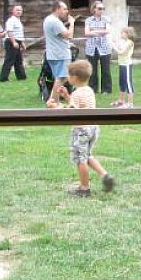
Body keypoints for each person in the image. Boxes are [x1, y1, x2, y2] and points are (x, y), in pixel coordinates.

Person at [52, 59, 115, 197]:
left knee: (80, 159)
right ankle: (105, 175)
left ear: (74, 78)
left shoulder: (77, 93)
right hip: (93, 128)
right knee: (87, 155)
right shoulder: (88, 90)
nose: (67, 77)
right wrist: (66, 96)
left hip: (81, 130)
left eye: (69, 75)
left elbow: (72, 111)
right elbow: (80, 105)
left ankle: (84, 188)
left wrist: (56, 107)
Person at [43, 1, 77, 107]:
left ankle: (53, 101)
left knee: (60, 78)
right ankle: (53, 102)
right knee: (61, 78)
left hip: (54, 53)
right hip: (60, 54)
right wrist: (72, 23)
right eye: (64, 9)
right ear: (57, 9)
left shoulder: (48, 19)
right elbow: (69, 35)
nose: (67, 11)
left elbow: (58, 37)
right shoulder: (54, 21)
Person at [83, 2, 112, 94]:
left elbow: (107, 31)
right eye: (99, 8)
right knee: (92, 70)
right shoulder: (88, 20)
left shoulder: (106, 19)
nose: (102, 10)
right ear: (94, 9)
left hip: (104, 48)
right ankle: (93, 89)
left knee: (106, 70)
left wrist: (94, 31)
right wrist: (101, 30)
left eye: (103, 8)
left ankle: (106, 90)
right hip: (91, 48)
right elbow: (86, 33)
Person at [0, 5, 27, 82]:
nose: (19, 12)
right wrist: (14, 42)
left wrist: (22, 43)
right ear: (13, 11)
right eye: (17, 10)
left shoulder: (18, 21)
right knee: (9, 60)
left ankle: (21, 77)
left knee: (18, 60)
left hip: (17, 41)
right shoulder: (11, 20)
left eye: (20, 10)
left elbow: (19, 33)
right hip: (11, 41)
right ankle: (3, 78)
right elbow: (9, 32)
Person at [111, 26, 135, 108]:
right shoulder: (124, 41)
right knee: (122, 82)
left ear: (127, 34)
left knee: (128, 83)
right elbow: (119, 46)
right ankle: (121, 101)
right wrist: (114, 42)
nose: (121, 34)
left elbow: (122, 52)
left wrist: (113, 46)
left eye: (122, 33)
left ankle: (130, 103)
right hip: (121, 64)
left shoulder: (130, 43)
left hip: (127, 65)